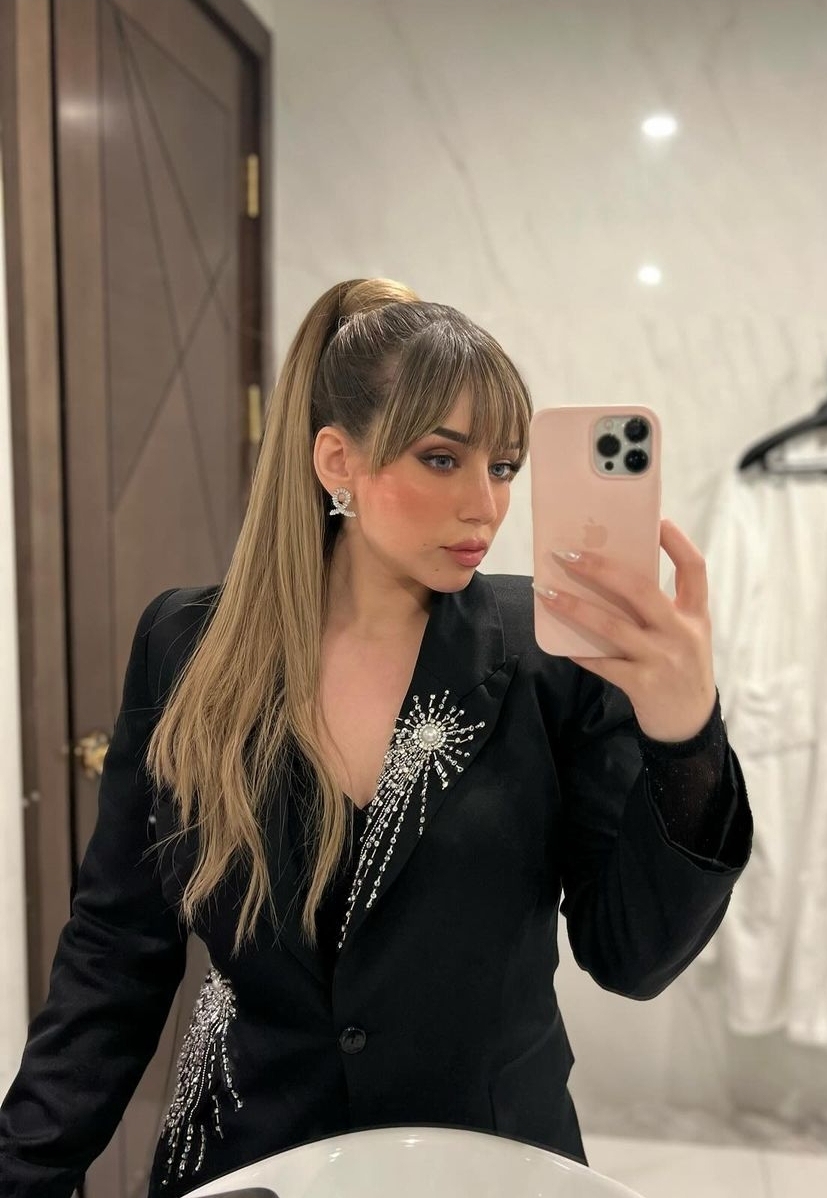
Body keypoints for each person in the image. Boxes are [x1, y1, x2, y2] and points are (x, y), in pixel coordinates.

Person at [0, 279, 752, 1197]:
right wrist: (24, 1172)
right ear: (336, 461)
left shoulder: (549, 661)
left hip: (484, 1166)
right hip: (247, 1154)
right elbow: (117, 950)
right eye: (441, 458)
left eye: (504, 467)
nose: (485, 505)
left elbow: (633, 957)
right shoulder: (188, 647)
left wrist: (684, 735)